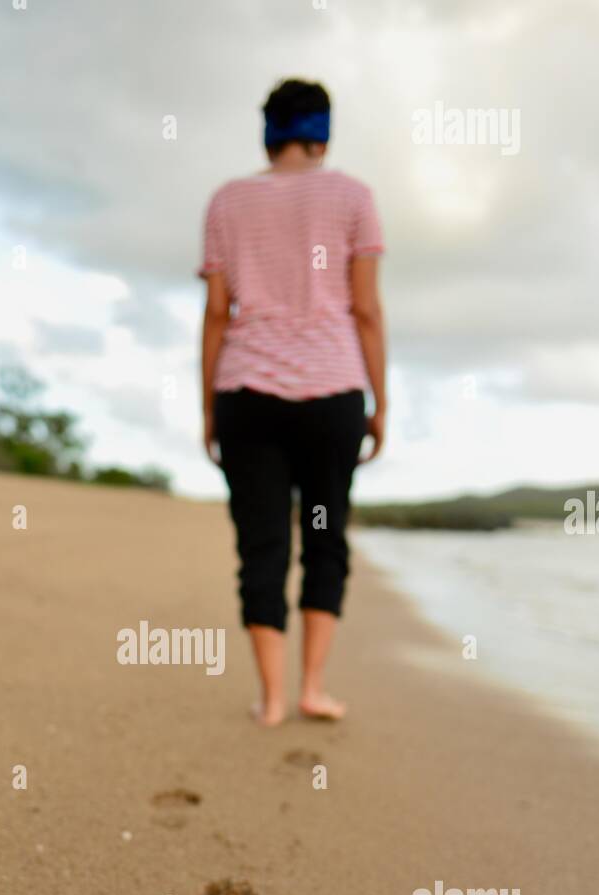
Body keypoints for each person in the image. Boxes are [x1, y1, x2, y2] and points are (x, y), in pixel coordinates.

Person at [200, 78, 386, 726]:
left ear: (268, 132)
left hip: (245, 395)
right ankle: (312, 688)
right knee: (323, 538)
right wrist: (378, 401)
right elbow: (364, 309)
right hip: (331, 393)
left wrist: (207, 408)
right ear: (321, 133)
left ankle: (271, 699)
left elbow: (217, 316)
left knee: (260, 546)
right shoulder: (353, 197)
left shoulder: (227, 201)